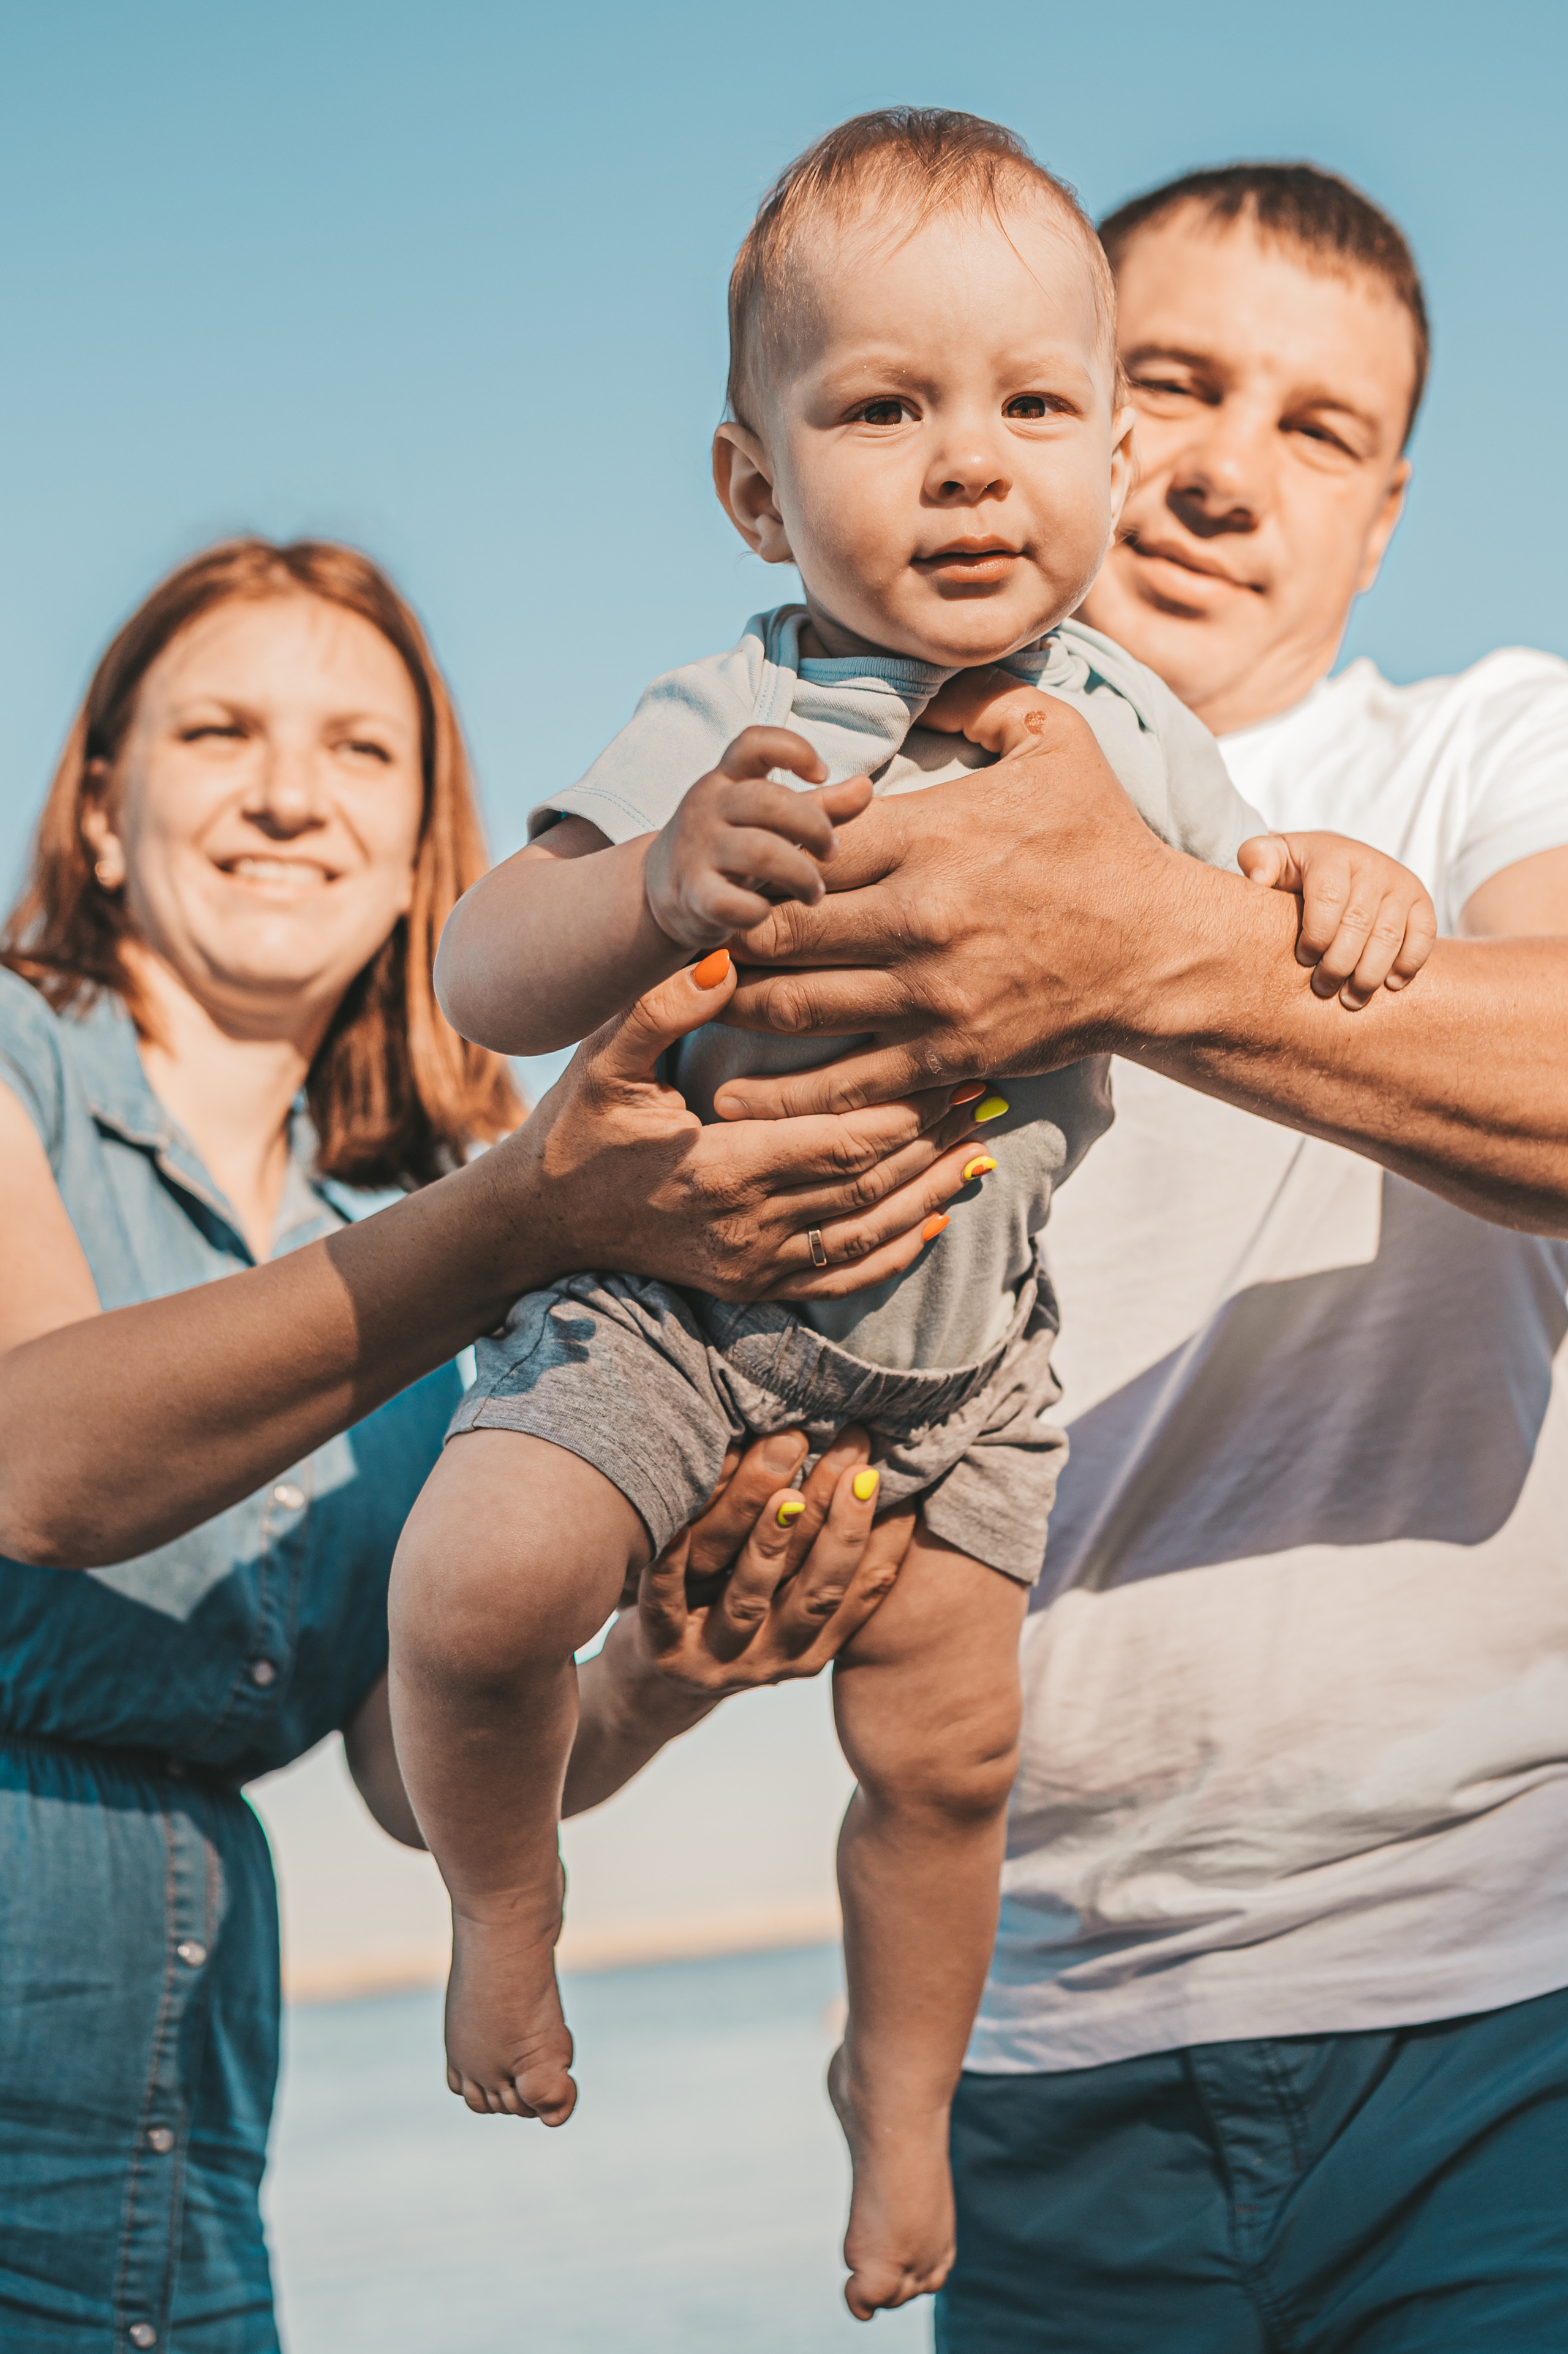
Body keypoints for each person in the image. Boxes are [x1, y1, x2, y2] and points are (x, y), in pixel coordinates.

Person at [389, 111, 1433, 2323]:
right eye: (886, 409)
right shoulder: (740, 699)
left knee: (946, 1762)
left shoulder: (1130, 717)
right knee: (478, 1595)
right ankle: (505, 1912)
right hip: (681, 1327)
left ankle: (905, 2095)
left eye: (1031, 407)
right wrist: (655, 879)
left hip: (966, 1364)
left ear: (1106, 454)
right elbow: (484, 969)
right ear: (758, 490)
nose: (972, 466)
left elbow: (1233, 905)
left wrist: (1335, 885)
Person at [679, 164, 1568, 2346]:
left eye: (1319, 429)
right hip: (1025, 2067)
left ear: (1382, 513)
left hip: (1496, 2014)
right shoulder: (798, 827)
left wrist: (1151, 943)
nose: (1230, 472)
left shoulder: (1474, 751)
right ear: (1061, 412)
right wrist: (667, 1646)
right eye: (1170, 383)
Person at [0, 534, 985, 2354]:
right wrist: (531, 1217)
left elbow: (408, 1772)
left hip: (177, 2180)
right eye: (221, 732)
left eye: (362, 754)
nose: (292, 793)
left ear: (413, 849)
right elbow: (40, 1462)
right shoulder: (29, 1070)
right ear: (100, 805)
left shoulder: (393, 1216)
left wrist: (661, 1678)